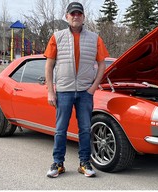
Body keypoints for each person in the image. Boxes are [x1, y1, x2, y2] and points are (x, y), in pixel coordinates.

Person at [44, 2, 109, 178]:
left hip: (85, 92)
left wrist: (94, 87)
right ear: (67, 16)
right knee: (60, 129)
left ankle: (84, 163)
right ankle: (58, 163)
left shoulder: (95, 38)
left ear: (83, 17)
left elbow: (102, 63)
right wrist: (51, 91)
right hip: (64, 91)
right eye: (72, 13)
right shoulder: (56, 37)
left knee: (86, 129)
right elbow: (49, 65)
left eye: (79, 13)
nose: (76, 16)